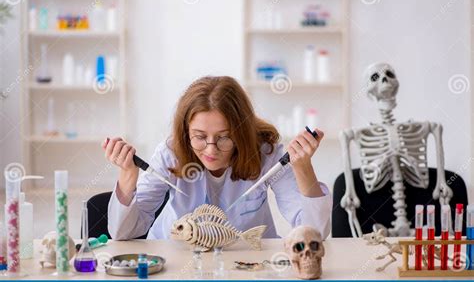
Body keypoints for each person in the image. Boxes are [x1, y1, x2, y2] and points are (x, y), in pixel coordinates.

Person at [104, 76, 332, 240]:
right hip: (176, 265)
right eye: (200, 137)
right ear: (186, 133)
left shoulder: (265, 153)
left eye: (224, 137)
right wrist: (127, 175)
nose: (211, 150)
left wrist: (303, 168)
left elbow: (315, 233)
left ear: (241, 132)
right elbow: (124, 233)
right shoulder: (170, 153)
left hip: (250, 267)